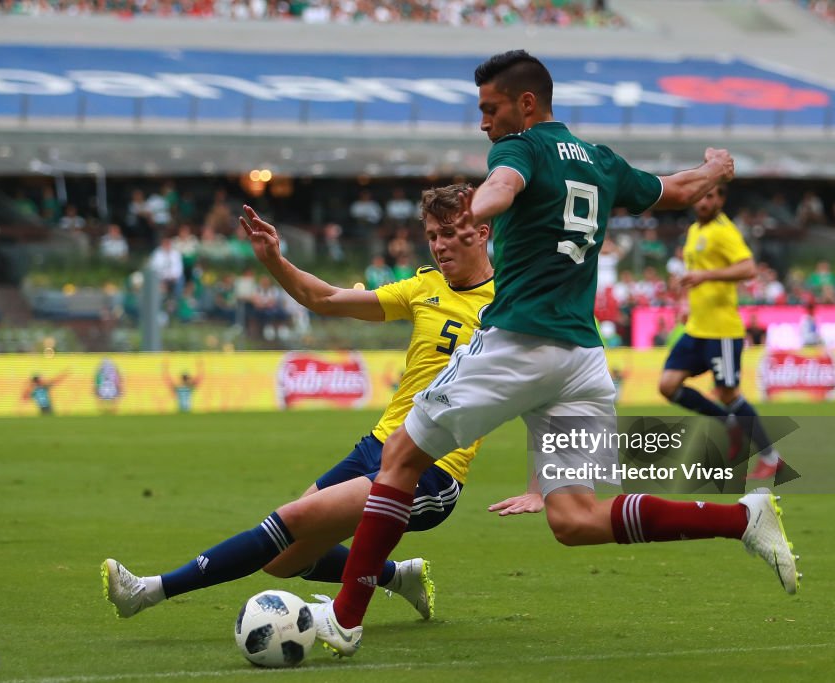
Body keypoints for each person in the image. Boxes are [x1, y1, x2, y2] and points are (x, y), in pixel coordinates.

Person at [313, 50, 799, 658]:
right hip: (580, 362)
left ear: (525, 104)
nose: (484, 123)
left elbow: (501, 185)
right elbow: (676, 190)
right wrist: (716, 165)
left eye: (489, 110)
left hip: (518, 344)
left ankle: (344, 619)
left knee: (400, 457)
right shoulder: (599, 160)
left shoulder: (521, 148)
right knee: (575, 520)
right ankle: (744, 518)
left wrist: (479, 206)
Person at [102, 184, 521, 625]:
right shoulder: (425, 288)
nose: (439, 245)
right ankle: (398, 577)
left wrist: (541, 484)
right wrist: (275, 262)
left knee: (291, 519)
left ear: (481, 231)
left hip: (433, 470)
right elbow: (326, 299)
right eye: (433, 234)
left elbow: (542, 383)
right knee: (284, 560)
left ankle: (149, 591)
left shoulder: (509, 303)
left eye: (450, 233)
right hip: (380, 446)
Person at [658, 183, 784, 481]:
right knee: (668, 385)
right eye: (701, 195)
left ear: (720, 200)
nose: (704, 201)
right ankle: (728, 423)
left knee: (729, 393)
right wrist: (686, 300)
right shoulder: (694, 231)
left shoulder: (724, 231)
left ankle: (771, 457)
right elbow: (693, 276)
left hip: (721, 331)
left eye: (711, 196)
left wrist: (706, 275)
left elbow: (749, 268)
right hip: (696, 328)